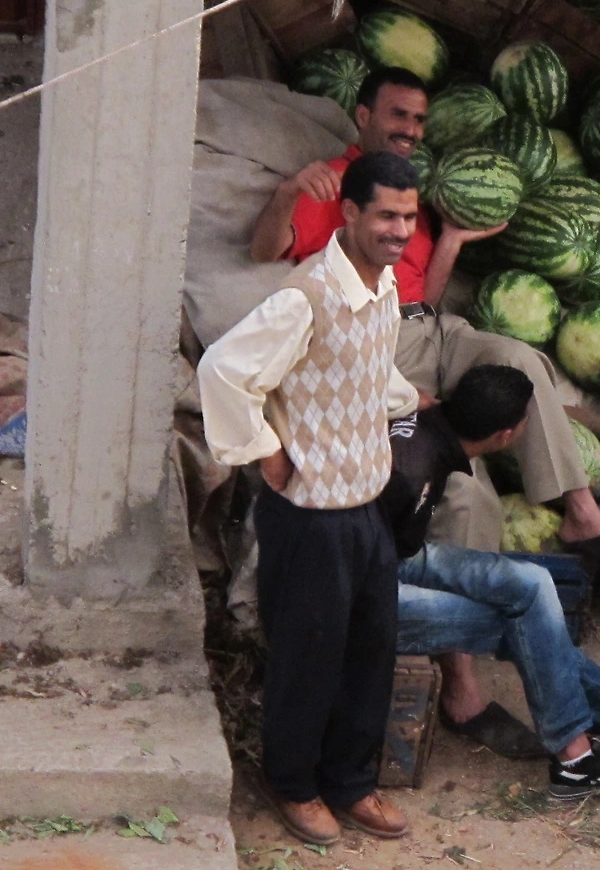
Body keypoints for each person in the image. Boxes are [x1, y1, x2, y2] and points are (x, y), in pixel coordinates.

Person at [249, 64, 600, 591]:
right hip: (378, 344)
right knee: (466, 491)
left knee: (519, 363)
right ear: (363, 115)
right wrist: (289, 191)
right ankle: (457, 627)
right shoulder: (338, 184)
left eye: (419, 119)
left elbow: (423, 294)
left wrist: (450, 239)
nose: (411, 129)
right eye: (398, 114)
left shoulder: (413, 192)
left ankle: (583, 514)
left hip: (434, 329)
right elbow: (264, 249)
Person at [198, 151, 433, 846]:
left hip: (363, 504)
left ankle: (351, 782)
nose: (399, 230)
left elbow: (367, 368)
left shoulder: (383, 288)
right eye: (386, 215)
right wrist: (265, 449)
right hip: (308, 516)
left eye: (409, 217)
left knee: (369, 651)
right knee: (309, 658)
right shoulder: (305, 297)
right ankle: (293, 783)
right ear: (350, 213)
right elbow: (224, 371)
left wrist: (404, 399)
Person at [380, 364, 600, 801]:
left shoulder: (425, 422)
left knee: (534, 584)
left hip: (396, 555)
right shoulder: (409, 476)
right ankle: (579, 756)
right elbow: (353, 571)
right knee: (522, 623)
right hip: (363, 592)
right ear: (505, 436)